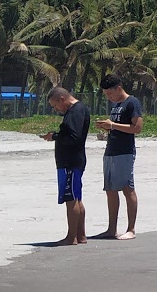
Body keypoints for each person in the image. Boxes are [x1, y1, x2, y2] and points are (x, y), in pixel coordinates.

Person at [42, 86, 90, 245]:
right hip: (74, 160)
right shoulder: (78, 110)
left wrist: (55, 136)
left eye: (55, 106)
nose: (56, 110)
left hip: (70, 161)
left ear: (62, 99)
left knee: (71, 199)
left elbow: (73, 137)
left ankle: (72, 237)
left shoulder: (75, 111)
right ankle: (80, 235)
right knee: (76, 197)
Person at [96, 75, 143, 239]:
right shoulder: (116, 105)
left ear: (118, 88)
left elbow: (137, 128)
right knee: (110, 190)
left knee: (127, 188)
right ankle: (111, 229)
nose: (109, 97)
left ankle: (131, 229)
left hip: (125, 151)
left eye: (110, 93)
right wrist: (107, 126)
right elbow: (117, 126)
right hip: (111, 150)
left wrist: (113, 125)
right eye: (106, 94)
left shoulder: (132, 102)